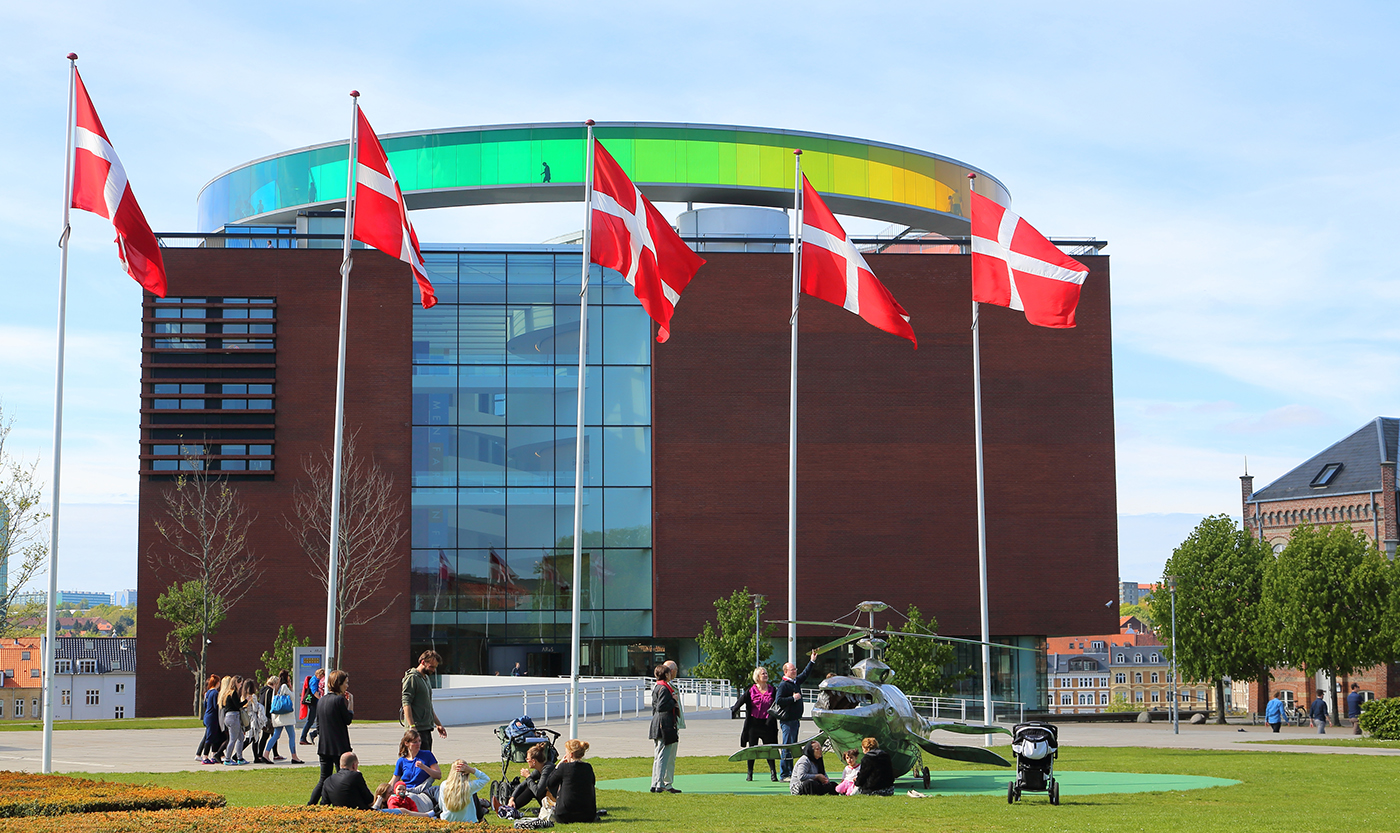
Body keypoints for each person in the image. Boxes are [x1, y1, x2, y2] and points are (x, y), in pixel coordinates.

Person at [307, 670, 355, 805]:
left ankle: (313, 804)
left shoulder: (322, 700)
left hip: (324, 747)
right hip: (339, 748)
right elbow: (347, 720)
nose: (347, 686)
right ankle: (342, 803)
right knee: (344, 777)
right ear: (338, 684)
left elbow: (319, 724)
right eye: (345, 683)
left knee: (324, 778)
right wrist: (350, 703)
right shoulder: (339, 700)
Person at [774, 650, 818, 779]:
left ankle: (790, 772)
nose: (795, 672)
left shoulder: (795, 682)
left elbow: (805, 674)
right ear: (786, 672)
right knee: (787, 747)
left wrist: (812, 661)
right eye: (792, 670)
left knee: (792, 747)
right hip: (787, 721)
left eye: (795, 669)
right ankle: (784, 774)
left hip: (794, 720)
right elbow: (779, 701)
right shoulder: (783, 685)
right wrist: (793, 698)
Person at [731, 666, 779, 782]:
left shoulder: (773, 690)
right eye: (763, 673)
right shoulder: (751, 690)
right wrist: (732, 710)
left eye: (766, 673)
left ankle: (773, 773)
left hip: (768, 724)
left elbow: (777, 705)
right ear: (757, 677)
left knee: (769, 749)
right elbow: (741, 701)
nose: (766, 675)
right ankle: (750, 773)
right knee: (752, 749)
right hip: (754, 724)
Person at [402, 650, 447, 752]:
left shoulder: (425, 678)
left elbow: (428, 705)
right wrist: (412, 726)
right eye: (431, 666)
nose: (433, 670)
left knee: (426, 762)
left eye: (435, 667)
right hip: (417, 729)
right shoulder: (412, 678)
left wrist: (438, 724)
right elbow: (406, 703)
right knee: (417, 763)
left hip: (426, 728)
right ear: (423, 662)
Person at [496, 741, 554, 819]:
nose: (526, 760)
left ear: (533, 761)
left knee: (532, 787)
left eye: (527, 759)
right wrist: (512, 798)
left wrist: (528, 776)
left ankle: (508, 809)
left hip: (554, 801)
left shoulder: (548, 769)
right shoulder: (539, 769)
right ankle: (509, 807)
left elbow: (537, 792)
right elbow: (522, 785)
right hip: (548, 799)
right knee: (530, 785)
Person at [547, 738, 598, 823]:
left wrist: (558, 765)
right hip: (588, 815)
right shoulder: (588, 767)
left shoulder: (564, 767)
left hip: (565, 815)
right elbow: (593, 782)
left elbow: (550, 782)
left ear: (570, 754)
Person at [649, 663, 681, 793]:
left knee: (658, 755)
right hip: (664, 724)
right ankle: (660, 784)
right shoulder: (664, 688)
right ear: (666, 674)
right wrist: (673, 701)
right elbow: (661, 706)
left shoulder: (657, 687)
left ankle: (655, 782)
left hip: (658, 723)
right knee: (663, 755)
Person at [264, 674, 304, 763]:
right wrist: (291, 687)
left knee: (275, 735)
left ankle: (266, 754)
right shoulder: (284, 686)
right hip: (286, 717)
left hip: (278, 717)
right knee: (292, 736)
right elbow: (293, 697)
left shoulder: (276, 688)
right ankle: (294, 756)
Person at [438, 758, 491, 822]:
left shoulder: (444, 785)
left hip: (447, 821)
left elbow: (441, 806)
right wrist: (472, 770)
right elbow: (486, 779)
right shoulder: (469, 786)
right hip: (468, 822)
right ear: (467, 772)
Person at [218, 675, 249, 765]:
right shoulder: (233, 693)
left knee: (241, 737)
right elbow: (238, 705)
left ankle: (240, 758)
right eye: (240, 682)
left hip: (229, 717)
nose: (241, 684)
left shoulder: (228, 693)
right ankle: (227, 759)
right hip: (233, 717)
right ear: (236, 683)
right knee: (233, 739)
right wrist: (246, 700)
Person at [197, 675, 222, 764]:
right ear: (217, 683)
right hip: (212, 717)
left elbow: (205, 705)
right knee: (210, 737)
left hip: (207, 715)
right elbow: (216, 706)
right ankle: (205, 756)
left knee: (214, 736)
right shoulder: (215, 693)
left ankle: (214, 755)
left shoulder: (207, 693)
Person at [299, 668, 325, 745]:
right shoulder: (314, 680)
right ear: (320, 675)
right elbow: (314, 692)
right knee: (311, 721)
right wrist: (321, 699)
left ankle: (313, 734)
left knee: (317, 720)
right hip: (314, 704)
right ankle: (304, 737)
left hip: (315, 703)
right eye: (323, 675)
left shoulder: (315, 679)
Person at [256, 675, 278, 762]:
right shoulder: (270, 691)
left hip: (263, 716)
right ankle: (260, 754)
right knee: (267, 736)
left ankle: (275, 753)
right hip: (268, 716)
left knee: (271, 735)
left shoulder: (263, 690)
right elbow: (270, 704)